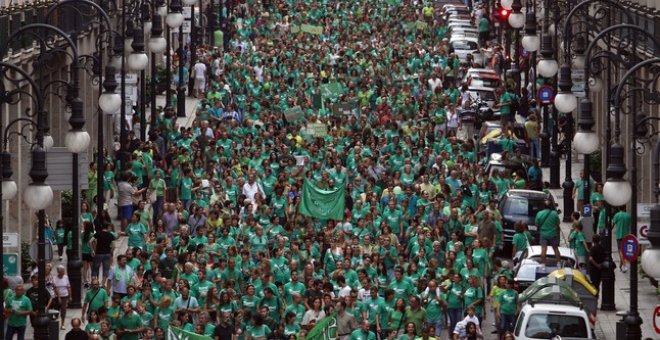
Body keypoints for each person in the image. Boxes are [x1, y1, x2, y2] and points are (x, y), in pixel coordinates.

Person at [534, 199, 562, 265]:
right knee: (555, 249)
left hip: (543, 234)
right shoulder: (554, 214)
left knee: (543, 249)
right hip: (553, 234)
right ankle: (558, 263)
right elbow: (558, 223)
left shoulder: (539, 214)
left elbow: (536, 224)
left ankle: (543, 264)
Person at [612, 206, 632, 272]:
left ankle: (624, 265)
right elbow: (630, 225)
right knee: (623, 251)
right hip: (626, 235)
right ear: (625, 208)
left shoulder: (617, 215)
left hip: (619, 235)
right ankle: (621, 266)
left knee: (621, 251)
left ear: (618, 208)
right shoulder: (628, 216)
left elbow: (612, 225)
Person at [53, 264, 72, 330]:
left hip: (64, 296)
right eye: (62, 271)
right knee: (56, 310)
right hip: (57, 296)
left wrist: (70, 296)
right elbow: (55, 288)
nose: (64, 272)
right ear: (59, 272)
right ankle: (55, 323)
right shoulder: (55, 278)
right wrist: (58, 297)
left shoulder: (66, 277)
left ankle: (63, 324)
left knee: (63, 310)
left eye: (64, 271)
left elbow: (68, 287)